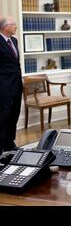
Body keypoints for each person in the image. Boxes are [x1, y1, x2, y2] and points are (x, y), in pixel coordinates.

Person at [0, 17, 22, 154]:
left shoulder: (14, 41)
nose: (16, 27)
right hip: (3, 87)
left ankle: (9, 143)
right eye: (13, 25)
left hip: (16, 85)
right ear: (4, 27)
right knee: (3, 117)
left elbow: (15, 64)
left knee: (14, 114)